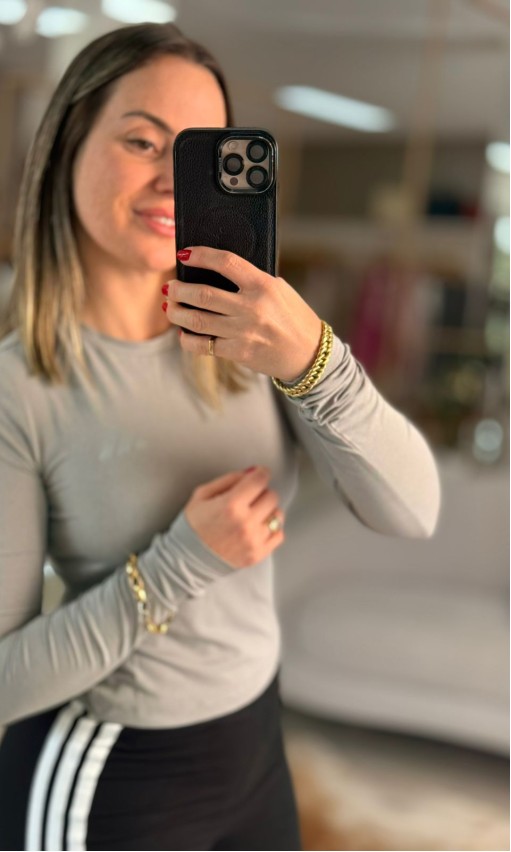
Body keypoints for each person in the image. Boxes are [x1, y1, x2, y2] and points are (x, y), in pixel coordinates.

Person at [0, 21, 440, 852]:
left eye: (199, 151)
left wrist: (315, 361)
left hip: (251, 740)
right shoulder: (18, 388)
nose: (173, 180)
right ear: (66, 148)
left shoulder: (252, 338)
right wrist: (181, 563)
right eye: (141, 141)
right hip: (110, 772)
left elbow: (411, 511)